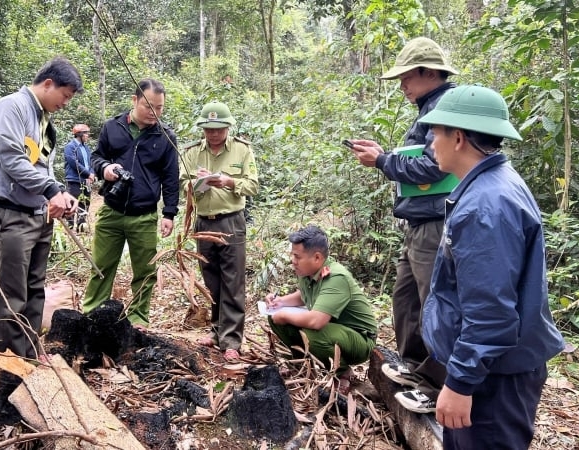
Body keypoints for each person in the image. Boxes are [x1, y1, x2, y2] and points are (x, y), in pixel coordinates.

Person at [414, 85, 565, 447]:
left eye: (436, 134)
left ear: (459, 138)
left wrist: (461, 382)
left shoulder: (486, 206)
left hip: (493, 375)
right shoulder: (493, 185)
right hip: (491, 366)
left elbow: (491, 311)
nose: (431, 144)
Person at [347, 37, 458, 412]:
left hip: (435, 222)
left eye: (407, 77)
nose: (402, 86)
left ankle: (436, 384)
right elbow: (420, 159)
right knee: (406, 298)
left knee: (434, 305)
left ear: (429, 72)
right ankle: (412, 366)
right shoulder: (429, 106)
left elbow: (434, 166)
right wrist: (387, 155)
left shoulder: (445, 107)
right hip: (417, 222)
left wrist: (382, 161)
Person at [0, 56, 82, 359]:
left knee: (34, 289)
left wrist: (59, 194)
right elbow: (13, 160)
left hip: (38, 215)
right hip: (12, 214)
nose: (65, 104)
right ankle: (7, 363)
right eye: (64, 96)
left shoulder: (43, 120)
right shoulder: (11, 107)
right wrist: (50, 189)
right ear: (48, 84)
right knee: (12, 292)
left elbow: (42, 166)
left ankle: (28, 352)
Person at [83, 78, 179, 329]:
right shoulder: (112, 127)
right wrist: (105, 168)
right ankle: (93, 315)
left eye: (159, 108)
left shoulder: (165, 136)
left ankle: (137, 320)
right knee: (101, 266)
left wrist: (169, 212)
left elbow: (170, 177)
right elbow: (96, 156)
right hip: (111, 211)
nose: (154, 113)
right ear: (135, 100)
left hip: (144, 215)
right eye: (149, 106)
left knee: (145, 273)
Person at [180, 101, 259, 361]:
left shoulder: (242, 150)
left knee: (233, 281)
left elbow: (252, 185)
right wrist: (198, 183)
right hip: (203, 222)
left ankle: (232, 340)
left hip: (231, 221)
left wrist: (227, 181)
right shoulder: (192, 152)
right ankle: (216, 331)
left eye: (218, 129)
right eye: (208, 129)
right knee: (211, 280)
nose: (213, 134)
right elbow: (182, 184)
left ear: (228, 127)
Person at [266, 225, 378, 394]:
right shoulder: (308, 271)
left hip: (359, 339)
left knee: (312, 333)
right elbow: (303, 295)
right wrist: (280, 302)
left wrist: (285, 314)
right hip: (333, 329)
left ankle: (342, 372)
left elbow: (316, 321)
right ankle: (302, 364)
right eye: (292, 255)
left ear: (317, 257)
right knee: (274, 316)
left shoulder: (336, 277)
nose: (293, 260)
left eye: (297, 256)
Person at [63, 123, 95, 231]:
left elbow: (90, 162)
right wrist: (88, 173)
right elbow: (74, 163)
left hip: (86, 181)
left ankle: (81, 226)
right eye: (86, 133)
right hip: (74, 180)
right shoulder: (70, 147)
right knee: (71, 203)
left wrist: (92, 173)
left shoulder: (86, 148)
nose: (88, 136)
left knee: (85, 203)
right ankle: (70, 226)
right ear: (79, 134)